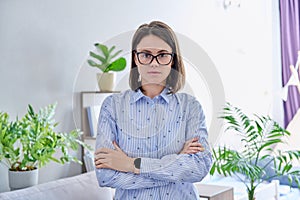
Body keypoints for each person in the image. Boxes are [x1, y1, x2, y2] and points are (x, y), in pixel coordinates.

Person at [94, 21, 212, 200]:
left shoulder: (191, 107)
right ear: (135, 58)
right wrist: (176, 162)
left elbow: (199, 168)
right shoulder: (112, 106)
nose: (154, 63)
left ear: (173, 59)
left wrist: (131, 164)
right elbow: (105, 176)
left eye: (163, 55)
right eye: (146, 55)